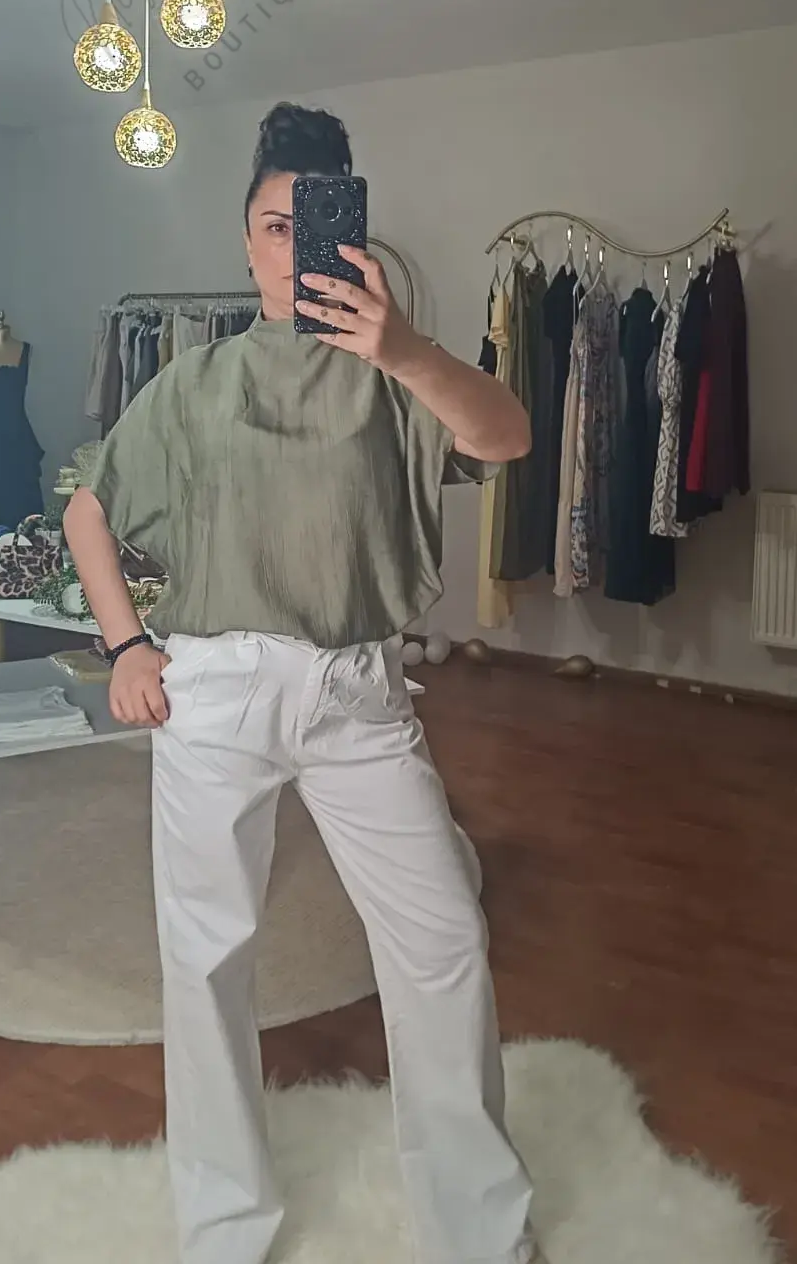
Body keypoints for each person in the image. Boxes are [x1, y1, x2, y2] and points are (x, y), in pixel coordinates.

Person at [64, 103, 541, 1264]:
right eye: (275, 225)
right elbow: (88, 508)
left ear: (353, 237)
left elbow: (509, 438)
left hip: (358, 696)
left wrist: (404, 348)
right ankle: (224, 1230)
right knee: (206, 957)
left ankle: (479, 1232)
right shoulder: (193, 382)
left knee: (442, 936)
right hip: (215, 691)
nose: (294, 245)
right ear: (246, 242)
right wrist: (126, 646)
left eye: (317, 223)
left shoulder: (394, 370)